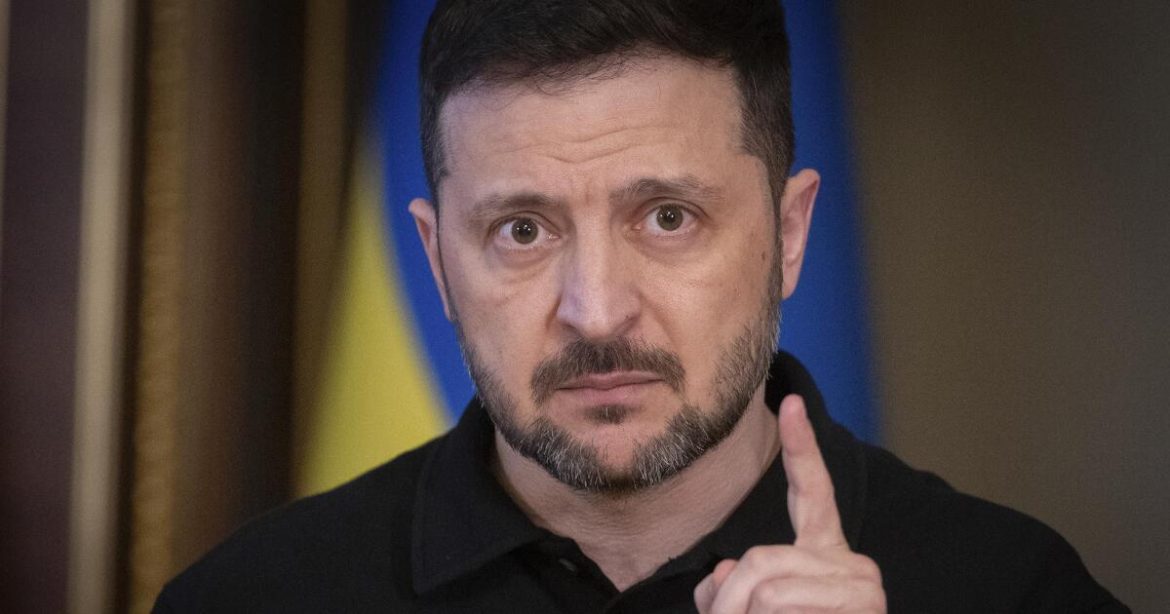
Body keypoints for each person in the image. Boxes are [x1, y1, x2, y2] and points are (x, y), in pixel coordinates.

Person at [154, 1, 1127, 612]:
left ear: (790, 233)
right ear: (437, 263)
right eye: (522, 230)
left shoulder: (1017, 590)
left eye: (668, 217)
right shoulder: (250, 598)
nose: (596, 311)